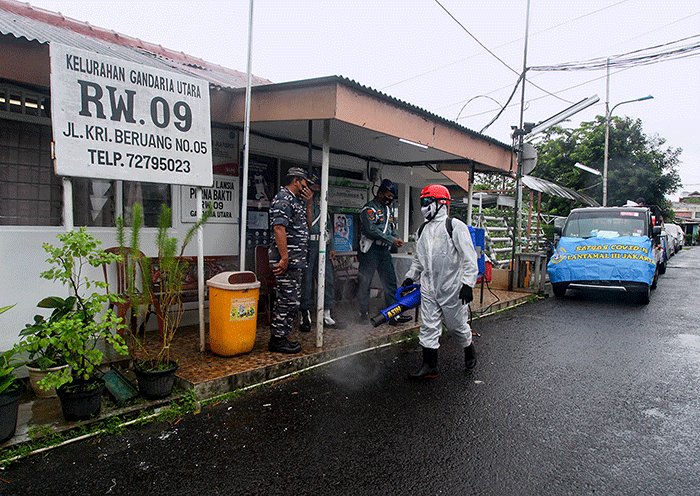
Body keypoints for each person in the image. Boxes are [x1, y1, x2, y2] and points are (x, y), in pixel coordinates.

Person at [402, 184, 478, 378]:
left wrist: (468, 284)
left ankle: (468, 346)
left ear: (440, 203)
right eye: (422, 203)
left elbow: (469, 257)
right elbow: (419, 259)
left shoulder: (454, 226)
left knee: (456, 327)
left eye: (427, 202)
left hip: (452, 287)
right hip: (428, 287)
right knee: (429, 325)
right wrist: (411, 276)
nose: (423, 207)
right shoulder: (422, 230)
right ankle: (430, 366)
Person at [267, 167, 313, 354]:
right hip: (286, 260)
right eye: (304, 182)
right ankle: (277, 340)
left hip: (296, 260)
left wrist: (309, 205)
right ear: (296, 180)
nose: (306, 186)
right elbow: (279, 228)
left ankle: (282, 337)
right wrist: (284, 257)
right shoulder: (283, 198)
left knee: (292, 300)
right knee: (286, 300)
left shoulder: (297, 201)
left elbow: (308, 226)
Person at [357, 178, 412, 325]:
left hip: (384, 250)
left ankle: (394, 314)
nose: (390, 199)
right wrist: (391, 240)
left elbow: (391, 228)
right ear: (380, 193)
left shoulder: (387, 210)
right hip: (370, 250)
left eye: (392, 197)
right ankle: (362, 313)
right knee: (365, 281)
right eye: (388, 196)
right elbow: (371, 230)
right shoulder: (369, 209)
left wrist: (396, 238)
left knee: (390, 282)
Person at [299, 174, 346, 331]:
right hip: (308, 243)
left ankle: (327, 314)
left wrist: (331, 245)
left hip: (322, 244)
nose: (318, 188)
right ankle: (305, 315)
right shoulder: (302, 200)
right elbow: (307, 224)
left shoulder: (322, 200)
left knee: (327, 279)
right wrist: (309, 203)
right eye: (316, 185)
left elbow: (328, 225)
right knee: (306, 281)